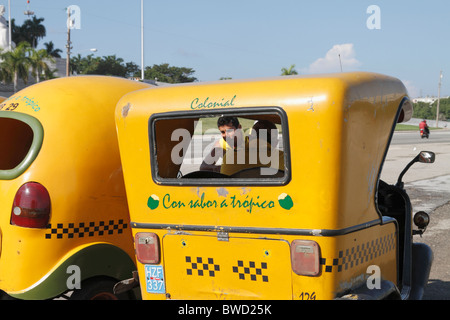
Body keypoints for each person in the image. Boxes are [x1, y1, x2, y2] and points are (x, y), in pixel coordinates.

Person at [200, 116, 284, 176]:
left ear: (239, 127)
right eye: (222, 132)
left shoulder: (248, 141)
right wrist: (221, 168)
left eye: (229, 131)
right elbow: (203, 167)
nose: (226, 135)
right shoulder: (220, 145)